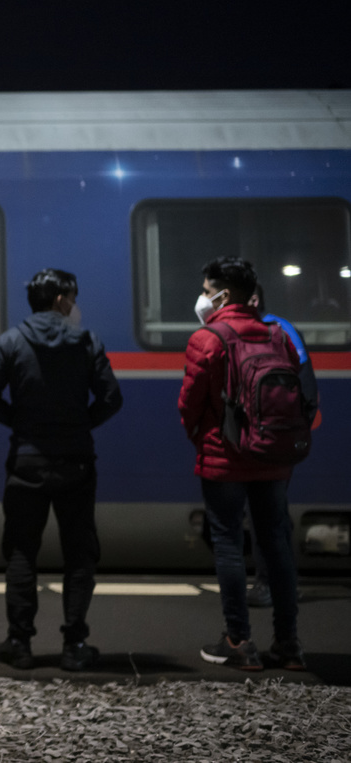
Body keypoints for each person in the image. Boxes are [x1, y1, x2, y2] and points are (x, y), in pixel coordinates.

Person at [0, 268, 122, 672]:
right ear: (60, 300)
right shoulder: (87, 341)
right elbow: (111, 398)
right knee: (79, 553)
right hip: (76, 460)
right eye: (72, 297)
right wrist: (80, 425)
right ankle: (75, 645)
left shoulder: (10, 341)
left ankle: (19, 643)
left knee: (22, 551)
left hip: (27, 460)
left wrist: (21, 424)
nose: (75, 305)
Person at [179, 257, 308, 671]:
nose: (202, 297)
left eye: (206, 289)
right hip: (272, 458)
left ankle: (239, 640)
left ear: (224, 294)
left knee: (230, 546)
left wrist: (202, 436)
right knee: (276, 545)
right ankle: (288, 644)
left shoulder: (208, 338)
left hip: (225, 459)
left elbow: (190, 403)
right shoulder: (277, 335)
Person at [243, 282, 320, 608]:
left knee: (267, 509)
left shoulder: (277, 329)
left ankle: (272, 585)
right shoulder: (275, 329)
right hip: (268, 433)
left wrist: (293, 430)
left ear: (254, 299)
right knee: (268, 507)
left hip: (270, 435)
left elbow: (305, 385)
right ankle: (276, 583)